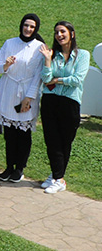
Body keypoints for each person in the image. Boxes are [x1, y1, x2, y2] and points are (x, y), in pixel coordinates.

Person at [37, 22, 89, 195]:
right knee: (51, 140)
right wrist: (47, 59)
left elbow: (77, 79)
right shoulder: (54, 55)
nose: (59, 35)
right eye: (56, 32)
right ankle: (56, 176)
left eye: (62, 31)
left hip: (70, 102)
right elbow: (45, 78)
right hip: (50, 100)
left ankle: (58, 178)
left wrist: (58, 80)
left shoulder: (82, 55)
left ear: (72, 34)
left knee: (64, 141)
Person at [0, 14, 45, 184]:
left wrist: (29, 97)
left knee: (23, 134)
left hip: (26, 94)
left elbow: (38, 75)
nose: (28, 29)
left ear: (36, 28)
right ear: (21, 26)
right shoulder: (10, 43)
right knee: (10, 133)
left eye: (32, 26)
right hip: (9, 92)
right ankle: (9, 166)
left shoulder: (40, 47)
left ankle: (19, 168)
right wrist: (6, 64)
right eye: (26, 25)